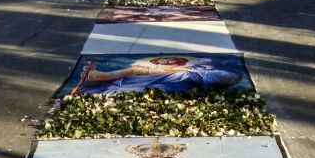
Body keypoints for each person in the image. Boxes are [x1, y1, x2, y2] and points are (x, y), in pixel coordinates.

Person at [72, 56, 239, 96]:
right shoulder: (140, 69)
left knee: (181, 77)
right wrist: (92, 74)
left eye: (171, 60)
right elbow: (112, 75)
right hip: (141, 83)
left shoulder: (188, 70)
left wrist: (196, 68)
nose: (166, 61)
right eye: (163, 61)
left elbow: (231, 77)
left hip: (179, 80)